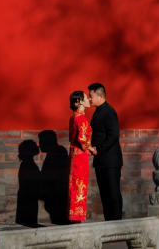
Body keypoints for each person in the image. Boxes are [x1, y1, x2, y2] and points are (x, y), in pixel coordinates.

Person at [86, 83, 123, 221]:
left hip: (110, 160)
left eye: (91, 96)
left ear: (100, 96)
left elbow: (114, 134)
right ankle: (109, 225)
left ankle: (116, 226)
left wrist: (99, 150)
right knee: (105, 195)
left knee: (113, 195)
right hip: (101, 160)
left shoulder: (109, 111)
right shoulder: (98, 111)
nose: (89, 99)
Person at [67, 90, 92, 222]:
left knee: (74, 184)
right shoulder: (82, 118)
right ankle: (77, 216)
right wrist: (91, 148)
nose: (89, 99)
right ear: (79, 102)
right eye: (86, 98)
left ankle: (73, 215)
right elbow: (82, 139)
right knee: (80, 184)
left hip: (73, 154)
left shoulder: (73, 117)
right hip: (81, 156)